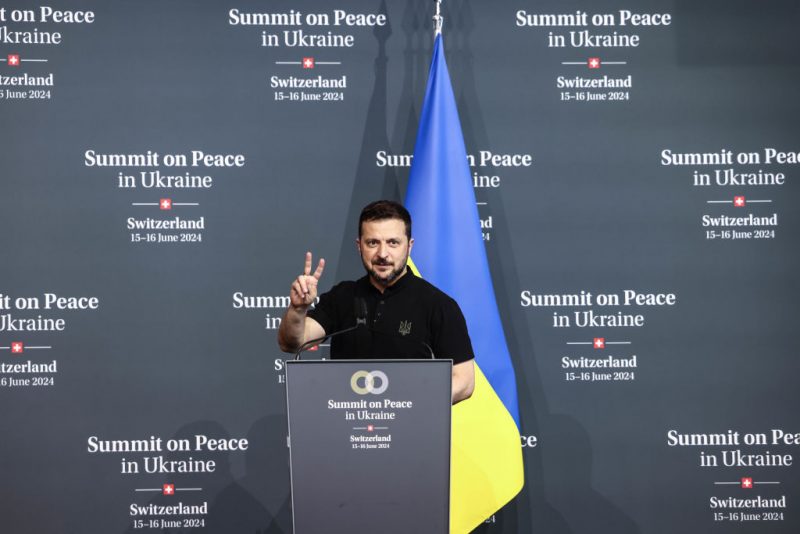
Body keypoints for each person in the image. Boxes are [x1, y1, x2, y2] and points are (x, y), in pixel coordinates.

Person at [277, 200, 475, 404]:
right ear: (359, 246)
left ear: (409, 246)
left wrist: (407, 405)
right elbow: (293, 342)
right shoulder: (342, 296)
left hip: (412, 430)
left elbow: (464, 380)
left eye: (393, 243)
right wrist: (298, 309)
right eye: (373, 243)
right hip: (347, 426)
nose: (382, 254)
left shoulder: (438, 304)